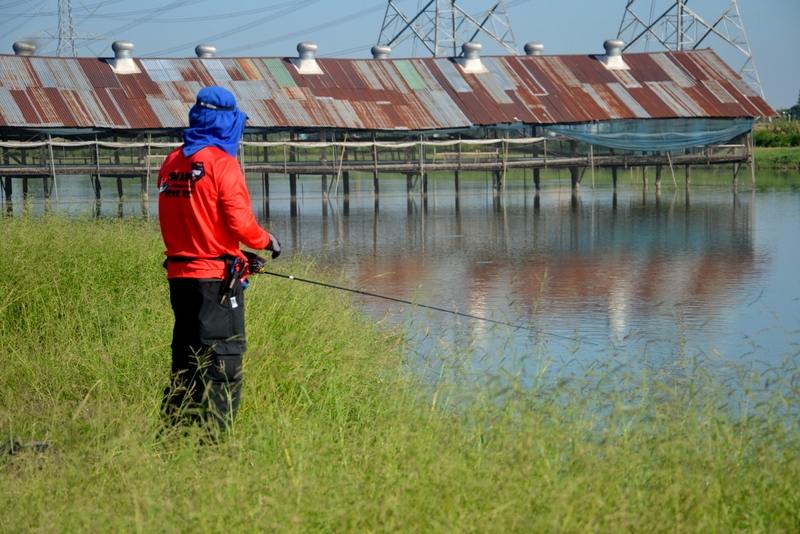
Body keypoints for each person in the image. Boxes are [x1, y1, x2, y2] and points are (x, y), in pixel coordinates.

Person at [157, 86, 281, 438]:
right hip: (216, 285)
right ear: (227, 123)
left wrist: (238, 256)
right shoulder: (222, 165)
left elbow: (194, 223)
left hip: (181, 278)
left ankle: (173, 440)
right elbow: (241, 225)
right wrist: (267, 242)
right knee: (222, 365)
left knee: (187, 364)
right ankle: (215, 449)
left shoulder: (172, 161)